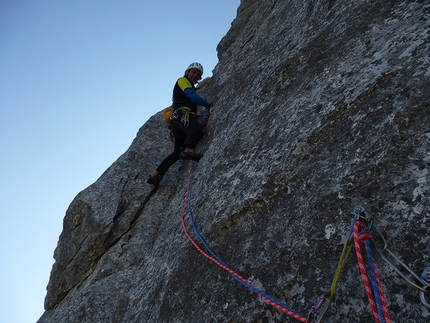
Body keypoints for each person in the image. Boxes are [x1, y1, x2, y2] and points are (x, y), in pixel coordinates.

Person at [147, 62, 213, 186]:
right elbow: (192, 96)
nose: (195, 75)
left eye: (198, 74)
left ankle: (155, 174)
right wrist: (206, 103)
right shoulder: (182, 81)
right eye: (193, 72)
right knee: (197, 131)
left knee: (176, 153)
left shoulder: (187, 85)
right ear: (187, 72)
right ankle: (188, 150)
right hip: (184, 117)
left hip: (177, 123)